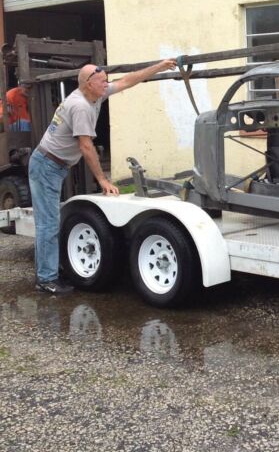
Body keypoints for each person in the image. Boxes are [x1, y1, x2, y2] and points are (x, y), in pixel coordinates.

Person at [29, 58, 177, 294]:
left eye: (106, 80)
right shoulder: (80, 106)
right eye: (101, 81)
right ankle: (46, 280)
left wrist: (160, 66)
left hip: (54, 164)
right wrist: (103, 180)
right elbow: (86, 147)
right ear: (88, 84)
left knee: (50, 221)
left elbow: (128, 80)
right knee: (49, 223)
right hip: (46, 165)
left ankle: (49, 270)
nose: (106, 84)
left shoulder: (96, 94)